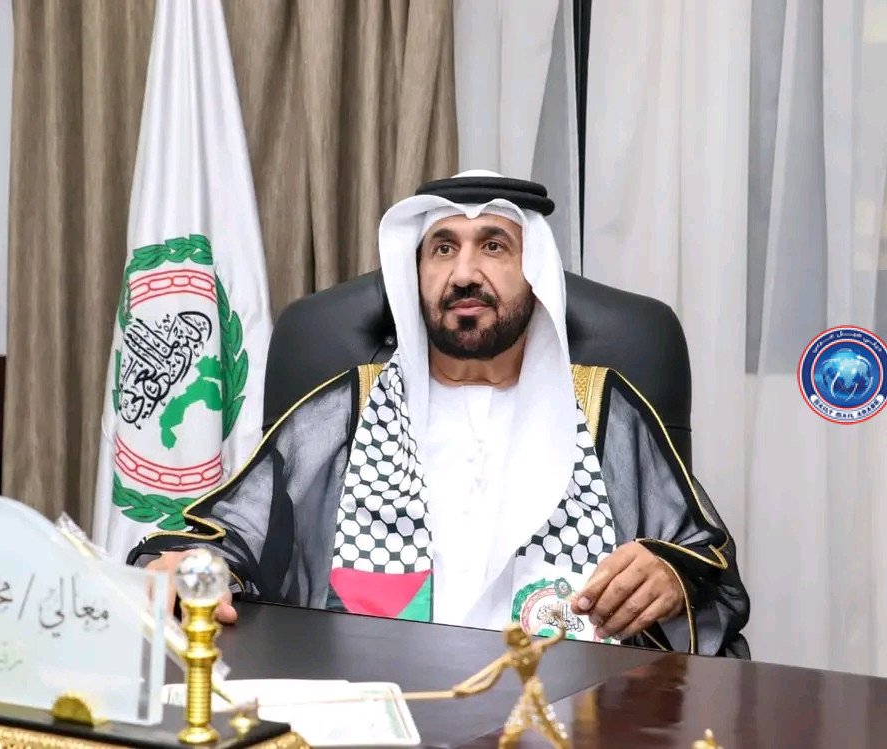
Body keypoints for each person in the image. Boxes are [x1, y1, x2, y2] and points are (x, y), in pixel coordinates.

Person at [129, 171, 750, 657]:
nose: (464, 273)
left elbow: (703, 560)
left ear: (535, 274)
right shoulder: (345, 410)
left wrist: (671, 576)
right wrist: (189, 567)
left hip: (558, 714)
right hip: (379, 710)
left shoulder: (604, 408)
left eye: (494, 246)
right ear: (417, 275)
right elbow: (230, 536)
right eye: (443, 249)